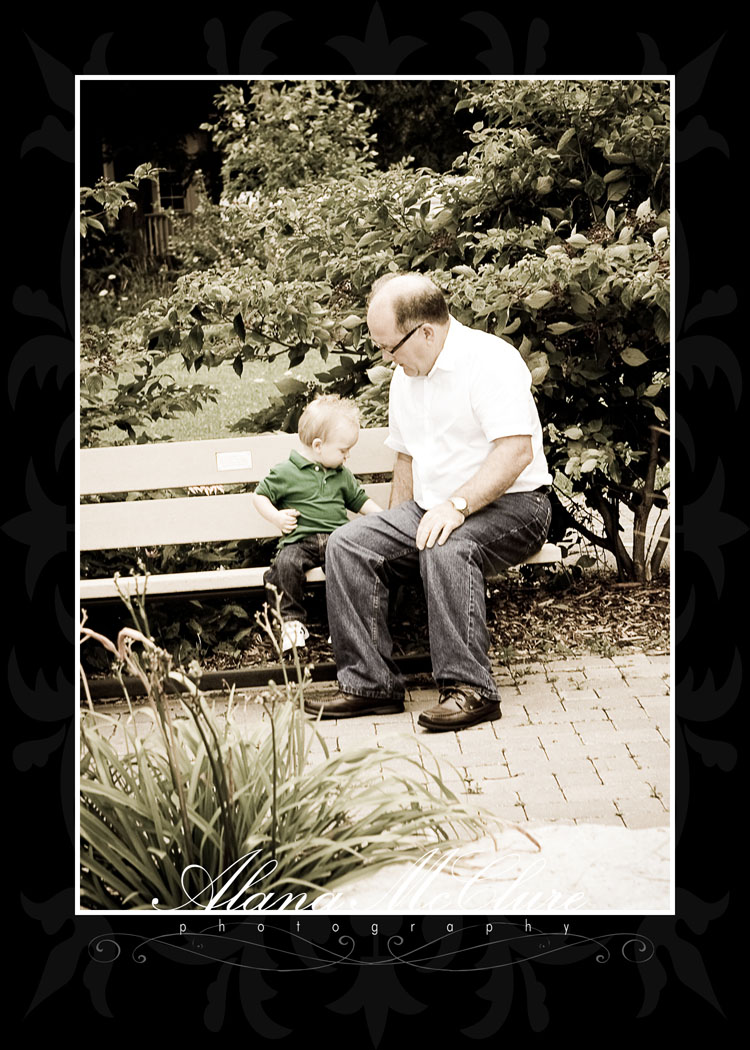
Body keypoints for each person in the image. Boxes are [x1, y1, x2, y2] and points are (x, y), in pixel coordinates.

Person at [305, 273, 552, 730]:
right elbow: (407, 456)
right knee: (348, 544)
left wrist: (455, 506)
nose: (386, 358)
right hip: (434, 506)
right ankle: (370, 685)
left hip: (516, 505)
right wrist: (396, 530)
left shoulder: (490, 360)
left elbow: (516, 451)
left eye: (389, 347)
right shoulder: (406, 376)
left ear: (426, 332)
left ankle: (471, 690)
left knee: (447, 544)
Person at [253, 394, 383, 651]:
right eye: (343, 451)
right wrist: (277, 517)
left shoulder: (341, 475)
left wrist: (384, 517)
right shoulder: (286, 472)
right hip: (300, 540)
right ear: (318, 445)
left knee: (349, 567)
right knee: (284, 565)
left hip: (338, 540)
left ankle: (345, 625)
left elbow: (359, 500)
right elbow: (260, 496)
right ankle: (291, 623)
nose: (347, 457)